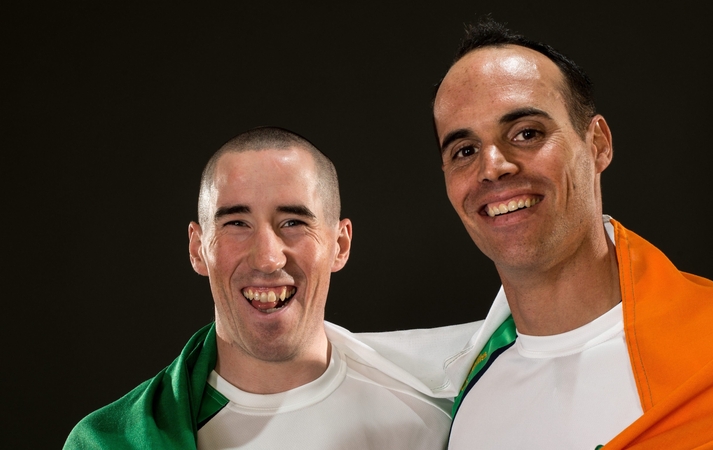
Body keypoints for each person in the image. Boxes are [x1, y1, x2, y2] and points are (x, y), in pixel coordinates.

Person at [431, 17, 713, 449]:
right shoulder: (458, 393)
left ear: (598, 144)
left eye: (527, 133)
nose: (493, 166)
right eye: (465, 150)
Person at [63, 126, 459, 449]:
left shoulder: (434, 415)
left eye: (293, 222)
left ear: (340, 245)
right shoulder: (106, 442)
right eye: (236, 223)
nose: (268, 259)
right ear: (198, 249)